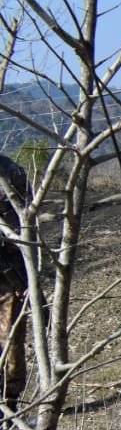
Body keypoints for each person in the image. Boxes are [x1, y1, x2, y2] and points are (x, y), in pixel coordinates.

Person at [0, 154, 31, 416]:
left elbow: (23, 222)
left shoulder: (9, 172)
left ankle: (9, 407)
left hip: (9, 278)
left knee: (11, 343)